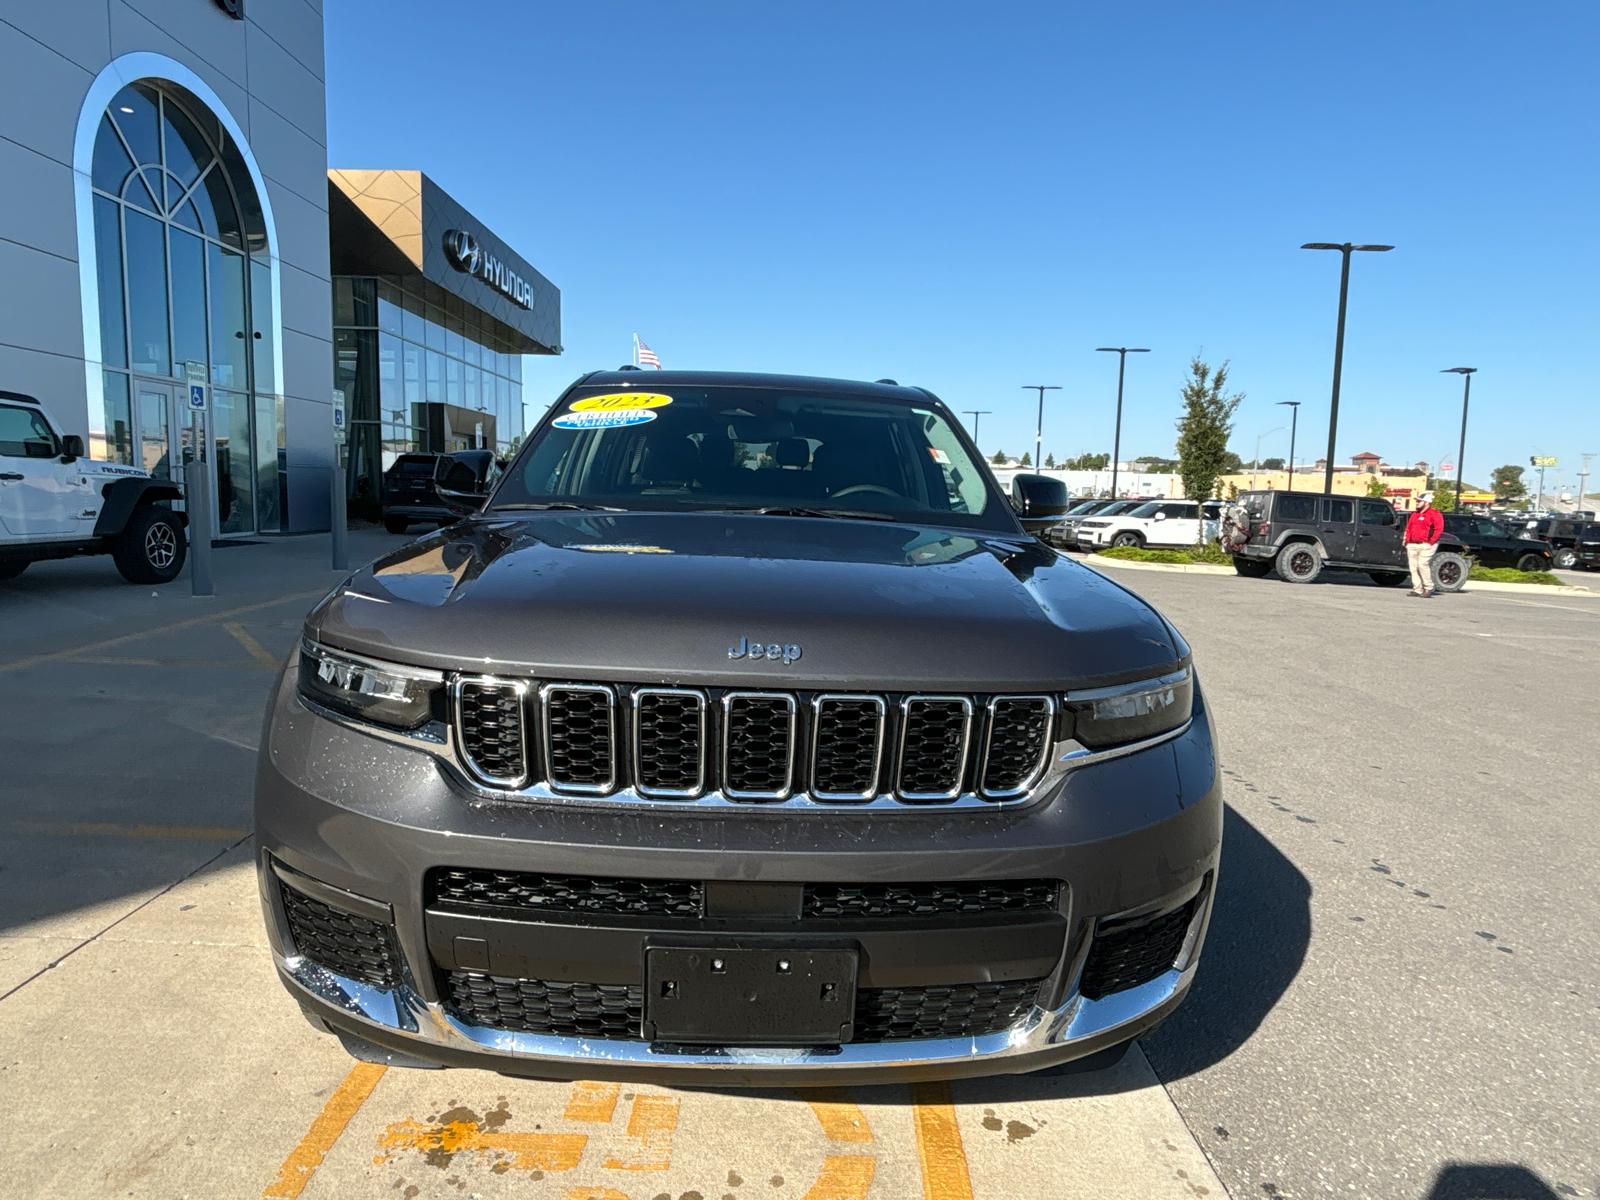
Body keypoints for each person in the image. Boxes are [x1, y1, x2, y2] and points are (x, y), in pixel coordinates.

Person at [1405, 492, 1444, 597]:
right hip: (1412, 544)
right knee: (1413, 567)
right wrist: (1408, 541)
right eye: (1416, 501)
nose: (1416, 503)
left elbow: (1438, 529)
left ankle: (1428, 587)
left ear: (1426, 502)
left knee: (1422, 565)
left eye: (1419, 501)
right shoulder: (1414, 514)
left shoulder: (1434, 514)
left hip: (1426, 545)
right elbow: (1409, 528)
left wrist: (1430, 542)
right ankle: (1417, 589)